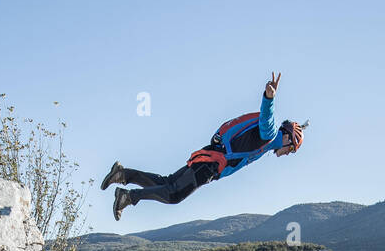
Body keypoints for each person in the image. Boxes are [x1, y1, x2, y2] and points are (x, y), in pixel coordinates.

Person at [103, 72, 307, 221]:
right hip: (211, 165)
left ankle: (122, 174)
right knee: (173, 195)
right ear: (288, 139)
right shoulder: (271, 136)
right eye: (292, 149)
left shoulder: (268, 142)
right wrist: (269, 98)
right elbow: (267, 119)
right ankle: (127, 197)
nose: (288, 154)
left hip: (208, 157)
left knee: (167, 183)